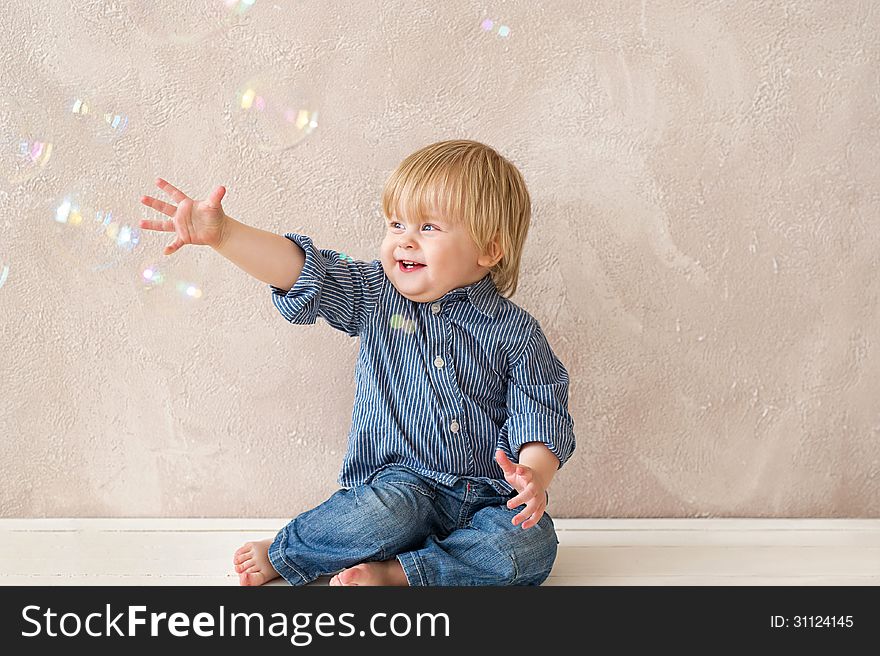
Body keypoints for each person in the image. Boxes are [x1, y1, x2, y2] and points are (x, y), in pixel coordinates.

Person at [139, 139, 575, 586]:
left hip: (488, 497)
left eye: (428, 227)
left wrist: (532, 477)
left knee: (532, 546)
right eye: (395, 223)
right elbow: (307, 271)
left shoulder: (518, 333)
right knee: (380, 517)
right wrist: (225, 234)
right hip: (400, 488)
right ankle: (287, 551)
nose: (403, 239)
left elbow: (539, 410)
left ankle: (401, 574)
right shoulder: (376, 294)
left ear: (488, 249)